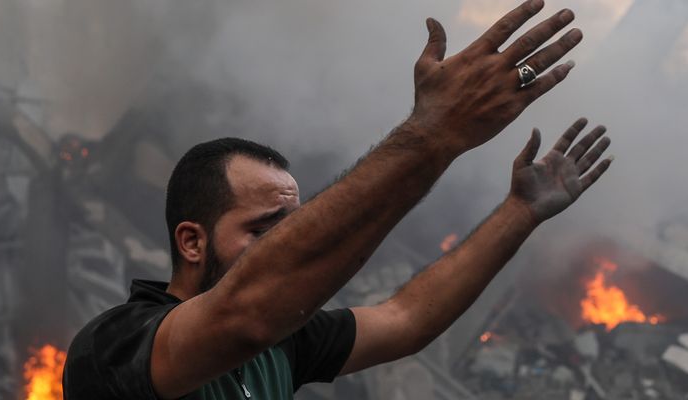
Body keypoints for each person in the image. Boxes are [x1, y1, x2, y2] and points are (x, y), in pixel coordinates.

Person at [62, 1, 613, 398]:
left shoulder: (284, 344)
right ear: (191, 241)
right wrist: (434, 135)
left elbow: (407, 317)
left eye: (295, 227)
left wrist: (518, 213)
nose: (290, 247)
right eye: (263, 230)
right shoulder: (116, 345)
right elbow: (242, 317)